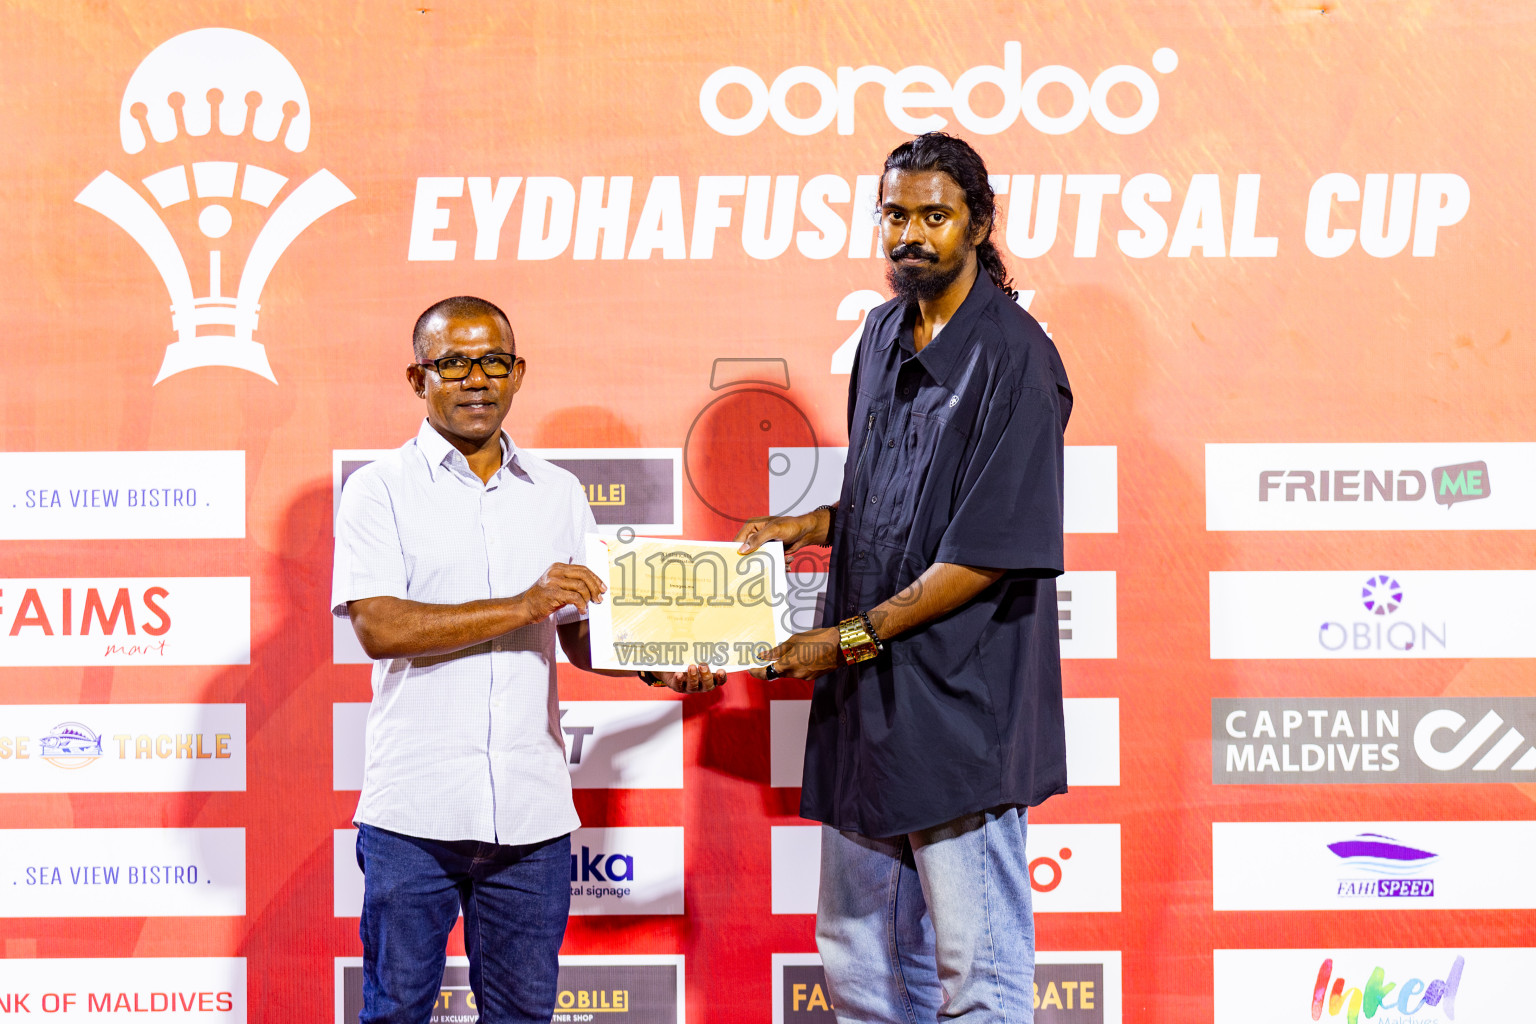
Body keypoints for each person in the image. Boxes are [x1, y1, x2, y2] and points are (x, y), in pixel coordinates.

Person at [737, 133, 1073, 1023]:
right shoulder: (883, 331)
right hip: (866, 703)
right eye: (896, 213)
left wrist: (844, 637)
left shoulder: (1019, 360)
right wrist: (809, 527)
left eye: (935, 214)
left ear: (979, 224)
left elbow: (985, 546)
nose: (911, 233)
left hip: (963, 710)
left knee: (979, 976)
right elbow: (892, 498)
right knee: (861, 965)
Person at [332, 295, 721, 1024]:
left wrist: (656, 663)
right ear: (418, 379)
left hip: (532, 817)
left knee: (523, 1017)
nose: (477, 379)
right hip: (414, 812)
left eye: (494, 362)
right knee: (395, 1013)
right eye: (454, 362)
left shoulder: (558, 493)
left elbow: (577, 629)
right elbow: (381, 626)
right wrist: (523, 604)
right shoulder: (377, 491)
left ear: (518, 374)